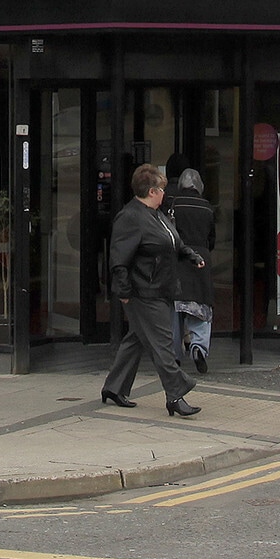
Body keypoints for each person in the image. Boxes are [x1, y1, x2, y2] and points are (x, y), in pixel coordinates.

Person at [101, 164, 204, 418]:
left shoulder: (156, 214)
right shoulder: (131, 217)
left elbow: (173, 241)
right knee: (163, 345)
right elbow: (119, 260)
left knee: (136, 339)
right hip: (143, 292)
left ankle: (114, 388)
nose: (164, 193)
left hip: (161, 288)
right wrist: (124, 291)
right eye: (161, 189)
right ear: (150, 191)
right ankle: (176, 395)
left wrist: (191, 255)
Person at [169, 166, 216, 373]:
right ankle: (198, 347)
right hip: (201, 259)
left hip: (177, 258)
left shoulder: (173, 204)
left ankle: (174, 355)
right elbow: (211, 238)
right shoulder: (207, 207)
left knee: (175, 308)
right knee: (201, 305)